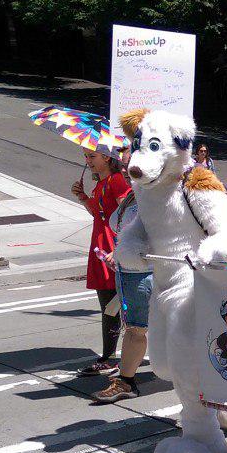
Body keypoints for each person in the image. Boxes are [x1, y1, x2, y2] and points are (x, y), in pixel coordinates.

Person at [93, 145, 153, 403]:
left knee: (144, 330)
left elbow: (161, 238)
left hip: (150, 274)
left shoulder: (158, 199)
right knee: (135, 329)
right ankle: (127, 381)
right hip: (129, 274)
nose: (128, 168)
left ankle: (202, 382)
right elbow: (124, 232)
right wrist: (116, 253)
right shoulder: (132, 197)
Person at [71, 141, 132, 377]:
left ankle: (109, 358)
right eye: (86, 156)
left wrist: (121, 247)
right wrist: (84, 197)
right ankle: (111, 356)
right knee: (109, 307)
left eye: (92, 156)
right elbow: (99, 212)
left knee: (110, 307)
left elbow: (127, 213)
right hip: (100, 246)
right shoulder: (103, 183)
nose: (88, 160)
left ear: (107, 157)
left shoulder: (116, 181)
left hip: (110, 247)